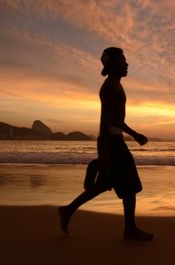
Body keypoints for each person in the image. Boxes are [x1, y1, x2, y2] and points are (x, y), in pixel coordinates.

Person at [58, 47, 154, 241]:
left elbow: (116, 120)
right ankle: (130, 230)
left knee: (105, 183)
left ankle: (68, 210)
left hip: (114, 140)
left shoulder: (116, 85)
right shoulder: (110, 86)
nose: (127, 64)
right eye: (123, 61)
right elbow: (104, 121)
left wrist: (134, 134)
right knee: (130, 185)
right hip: (113, 142)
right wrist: (104, 153)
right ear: (113, 65)